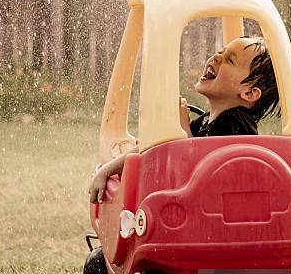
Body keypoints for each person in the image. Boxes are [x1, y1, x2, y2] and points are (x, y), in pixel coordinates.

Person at [89, 36, 279, 203]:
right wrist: (108, 170)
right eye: (220, 52)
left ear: (249, 93)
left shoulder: (237, 123)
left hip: (214, 227)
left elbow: (200, 181)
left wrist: (183, 132)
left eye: (229, 60)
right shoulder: (207, 120)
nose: (216, 57)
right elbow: (154, 145)